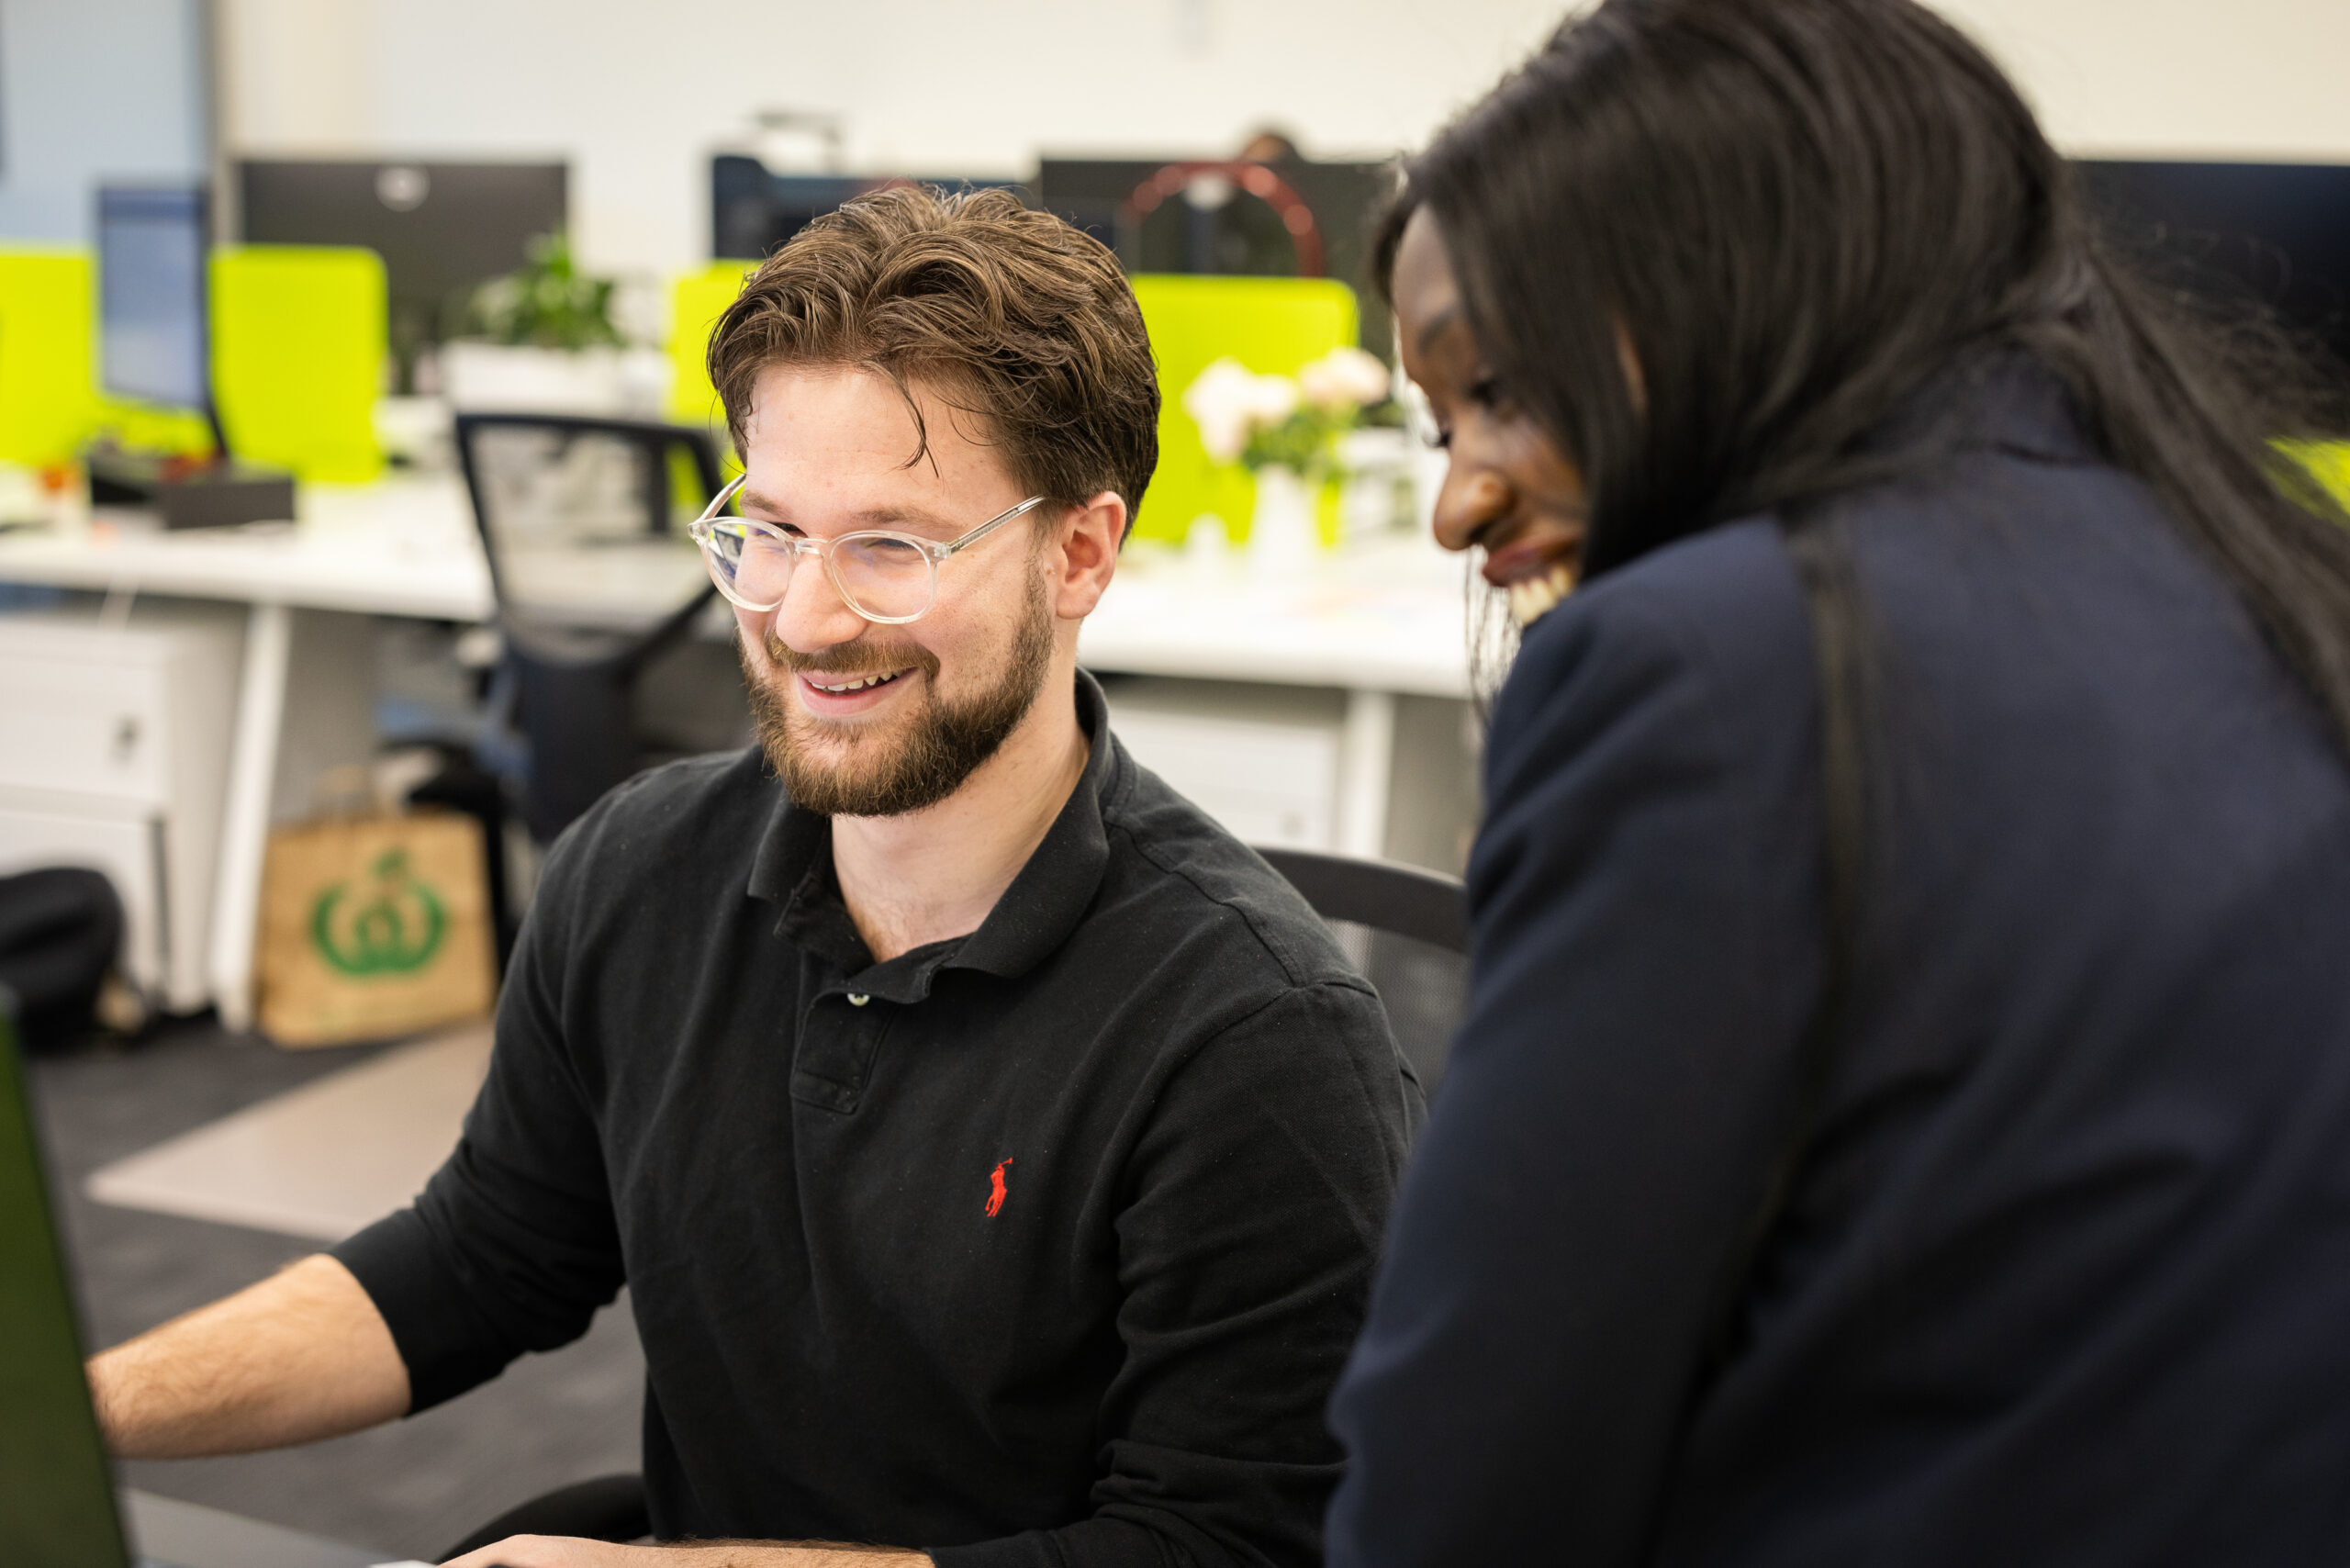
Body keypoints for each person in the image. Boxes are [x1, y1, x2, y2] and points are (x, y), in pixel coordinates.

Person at [90, 186, 1420, 1567]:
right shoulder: (637, 870)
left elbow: (1225, 1549)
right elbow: (480, 1260)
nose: (805, 615)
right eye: (770, 531)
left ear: (1077, 553)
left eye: (893, 545)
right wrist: (73, 1416)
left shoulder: (1254, 1038)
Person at [1326, 0, 2350, 1563]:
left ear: (1720, 301)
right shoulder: (2263, 576)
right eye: (1439, 419)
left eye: (1506, 389)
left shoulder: (1715, 664)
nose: (1460, 501)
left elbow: (1476, 1461)